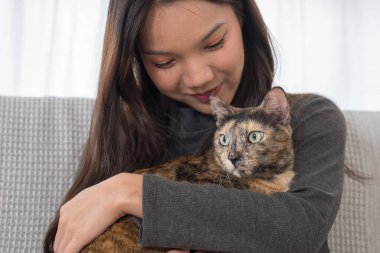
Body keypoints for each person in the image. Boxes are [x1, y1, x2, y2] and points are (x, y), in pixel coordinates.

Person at [44, 0, 346, 252]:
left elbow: (299, 230)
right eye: (164, 62)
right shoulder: (127, 131)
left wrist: (130, 191)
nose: (198, 77)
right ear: (137, 60)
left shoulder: (309, 117)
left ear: (242, 18)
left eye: (214, 43)